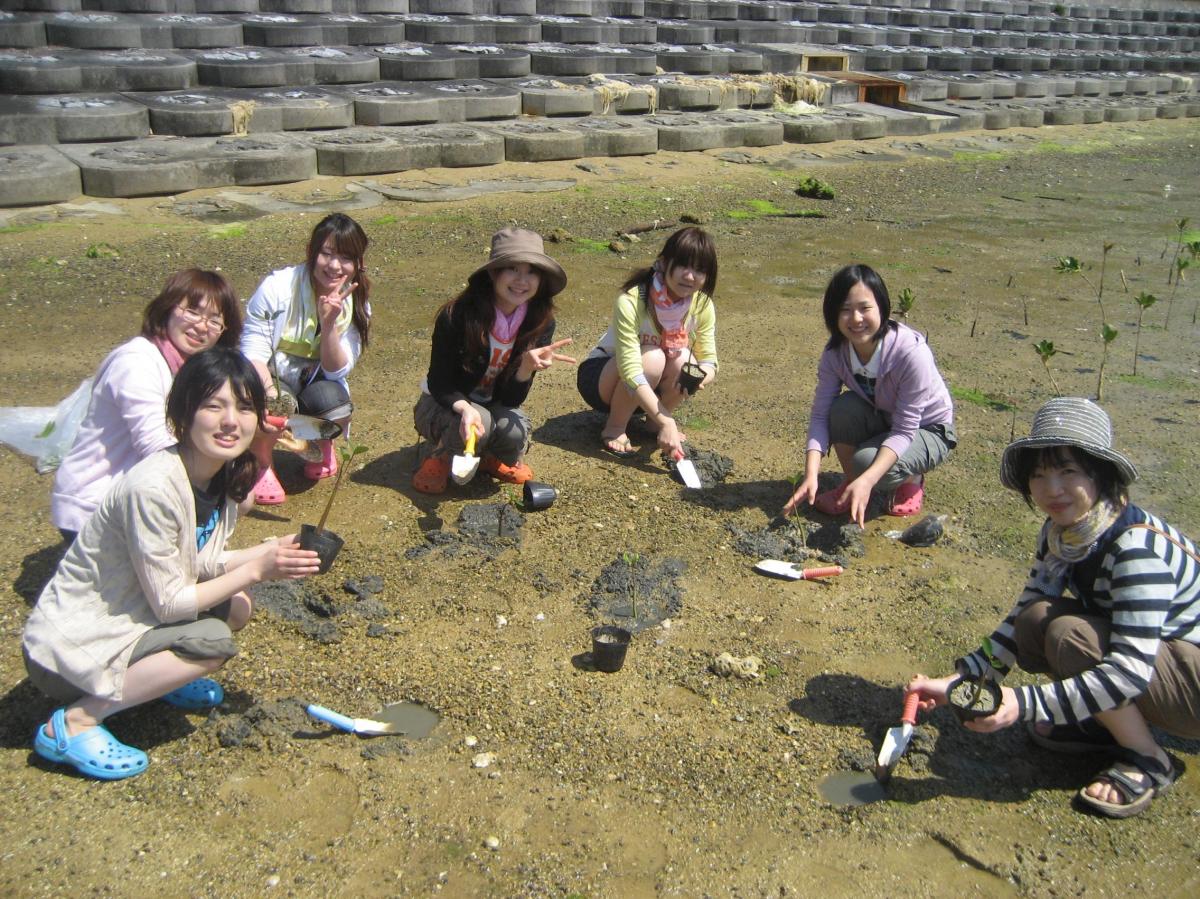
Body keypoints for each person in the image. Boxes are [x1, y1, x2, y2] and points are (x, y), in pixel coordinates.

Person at [22, 348, 321, 780]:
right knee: (213, 639)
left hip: (132, 618)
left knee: (236, 604)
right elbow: (169, 603)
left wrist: (274, 547)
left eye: (243, 407)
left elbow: (202, 560)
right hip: (72, 648)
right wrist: (258, 569)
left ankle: (155, 681)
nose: (230, 421)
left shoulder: (219, 476)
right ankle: (75, 722)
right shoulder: (154, 487)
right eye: (212, 405)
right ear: (182, 412)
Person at [907, 397, 1200, 818]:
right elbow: (1022, 613)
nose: (1052, 489)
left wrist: (1020, 704)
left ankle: (1149, 759)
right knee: (1036, 618)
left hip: (1191, 679)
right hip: (1160, 660)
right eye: (1040, 475)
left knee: (1069, 637)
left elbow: (1129, 671)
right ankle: (1101, 722)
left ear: (1100, 476)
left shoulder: (1137, 551)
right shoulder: (1063, 534)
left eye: (1068, 472)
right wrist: (963, 679)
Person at [50, 269, 243, 543]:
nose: (202, 326)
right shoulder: (137, 361)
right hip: (94, 502)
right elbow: (155, 444)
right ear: (167, 308)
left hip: (136, 497)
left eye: (215, 321)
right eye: (192, 311)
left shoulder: (187, 370)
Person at [783, 264, 954, 527]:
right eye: (845, 310)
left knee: (865, 463)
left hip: (929, 428)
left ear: (882, 308)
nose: (855, 319)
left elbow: (905, 430)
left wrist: (869, 477)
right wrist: (811, 473)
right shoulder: (835, 354)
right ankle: (853, 484)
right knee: (840, 410)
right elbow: (820, 414)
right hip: (883, 414)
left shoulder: (910, 354)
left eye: (865, 308)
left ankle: (911, 477)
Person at [411, 227, 574, 495]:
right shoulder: (458, 315)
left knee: (515, 431)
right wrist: (464, 408)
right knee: (480, 422)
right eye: (512, 269)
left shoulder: (539, 321)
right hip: (441, 403)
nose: (522, 280)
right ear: (493, 272)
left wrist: (525, 368)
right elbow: (439, 382)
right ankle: (440, 454)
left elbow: (511, 401)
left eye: (532, 271)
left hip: (492, 401)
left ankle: (487, 457)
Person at [241, 213, 371, 505]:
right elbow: (252, 352)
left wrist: (329, 326)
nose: (335, 266)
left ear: (358, 264)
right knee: (268, 402)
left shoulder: (356, 302)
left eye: (346, 258)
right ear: (312, 253)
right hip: (272, 376)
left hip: (315, 380)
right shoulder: (277, 288)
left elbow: (337, 369)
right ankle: (262, 462)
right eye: (327, 254)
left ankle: (320, 443)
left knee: (336, 406)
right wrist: (271, 398)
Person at [576, 226, 718, 460]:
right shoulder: (631, 300)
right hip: (602, 381)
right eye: (683, 265)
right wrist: (669, 422)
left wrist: (701, 376)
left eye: (699, 270)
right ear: (663, 263)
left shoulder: (702, 305)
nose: (690, 276)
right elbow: (631, 369)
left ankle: (653, 423)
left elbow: (709, 360)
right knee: (653, 357)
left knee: (685, 360)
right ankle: (615, 426)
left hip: (648, 389)